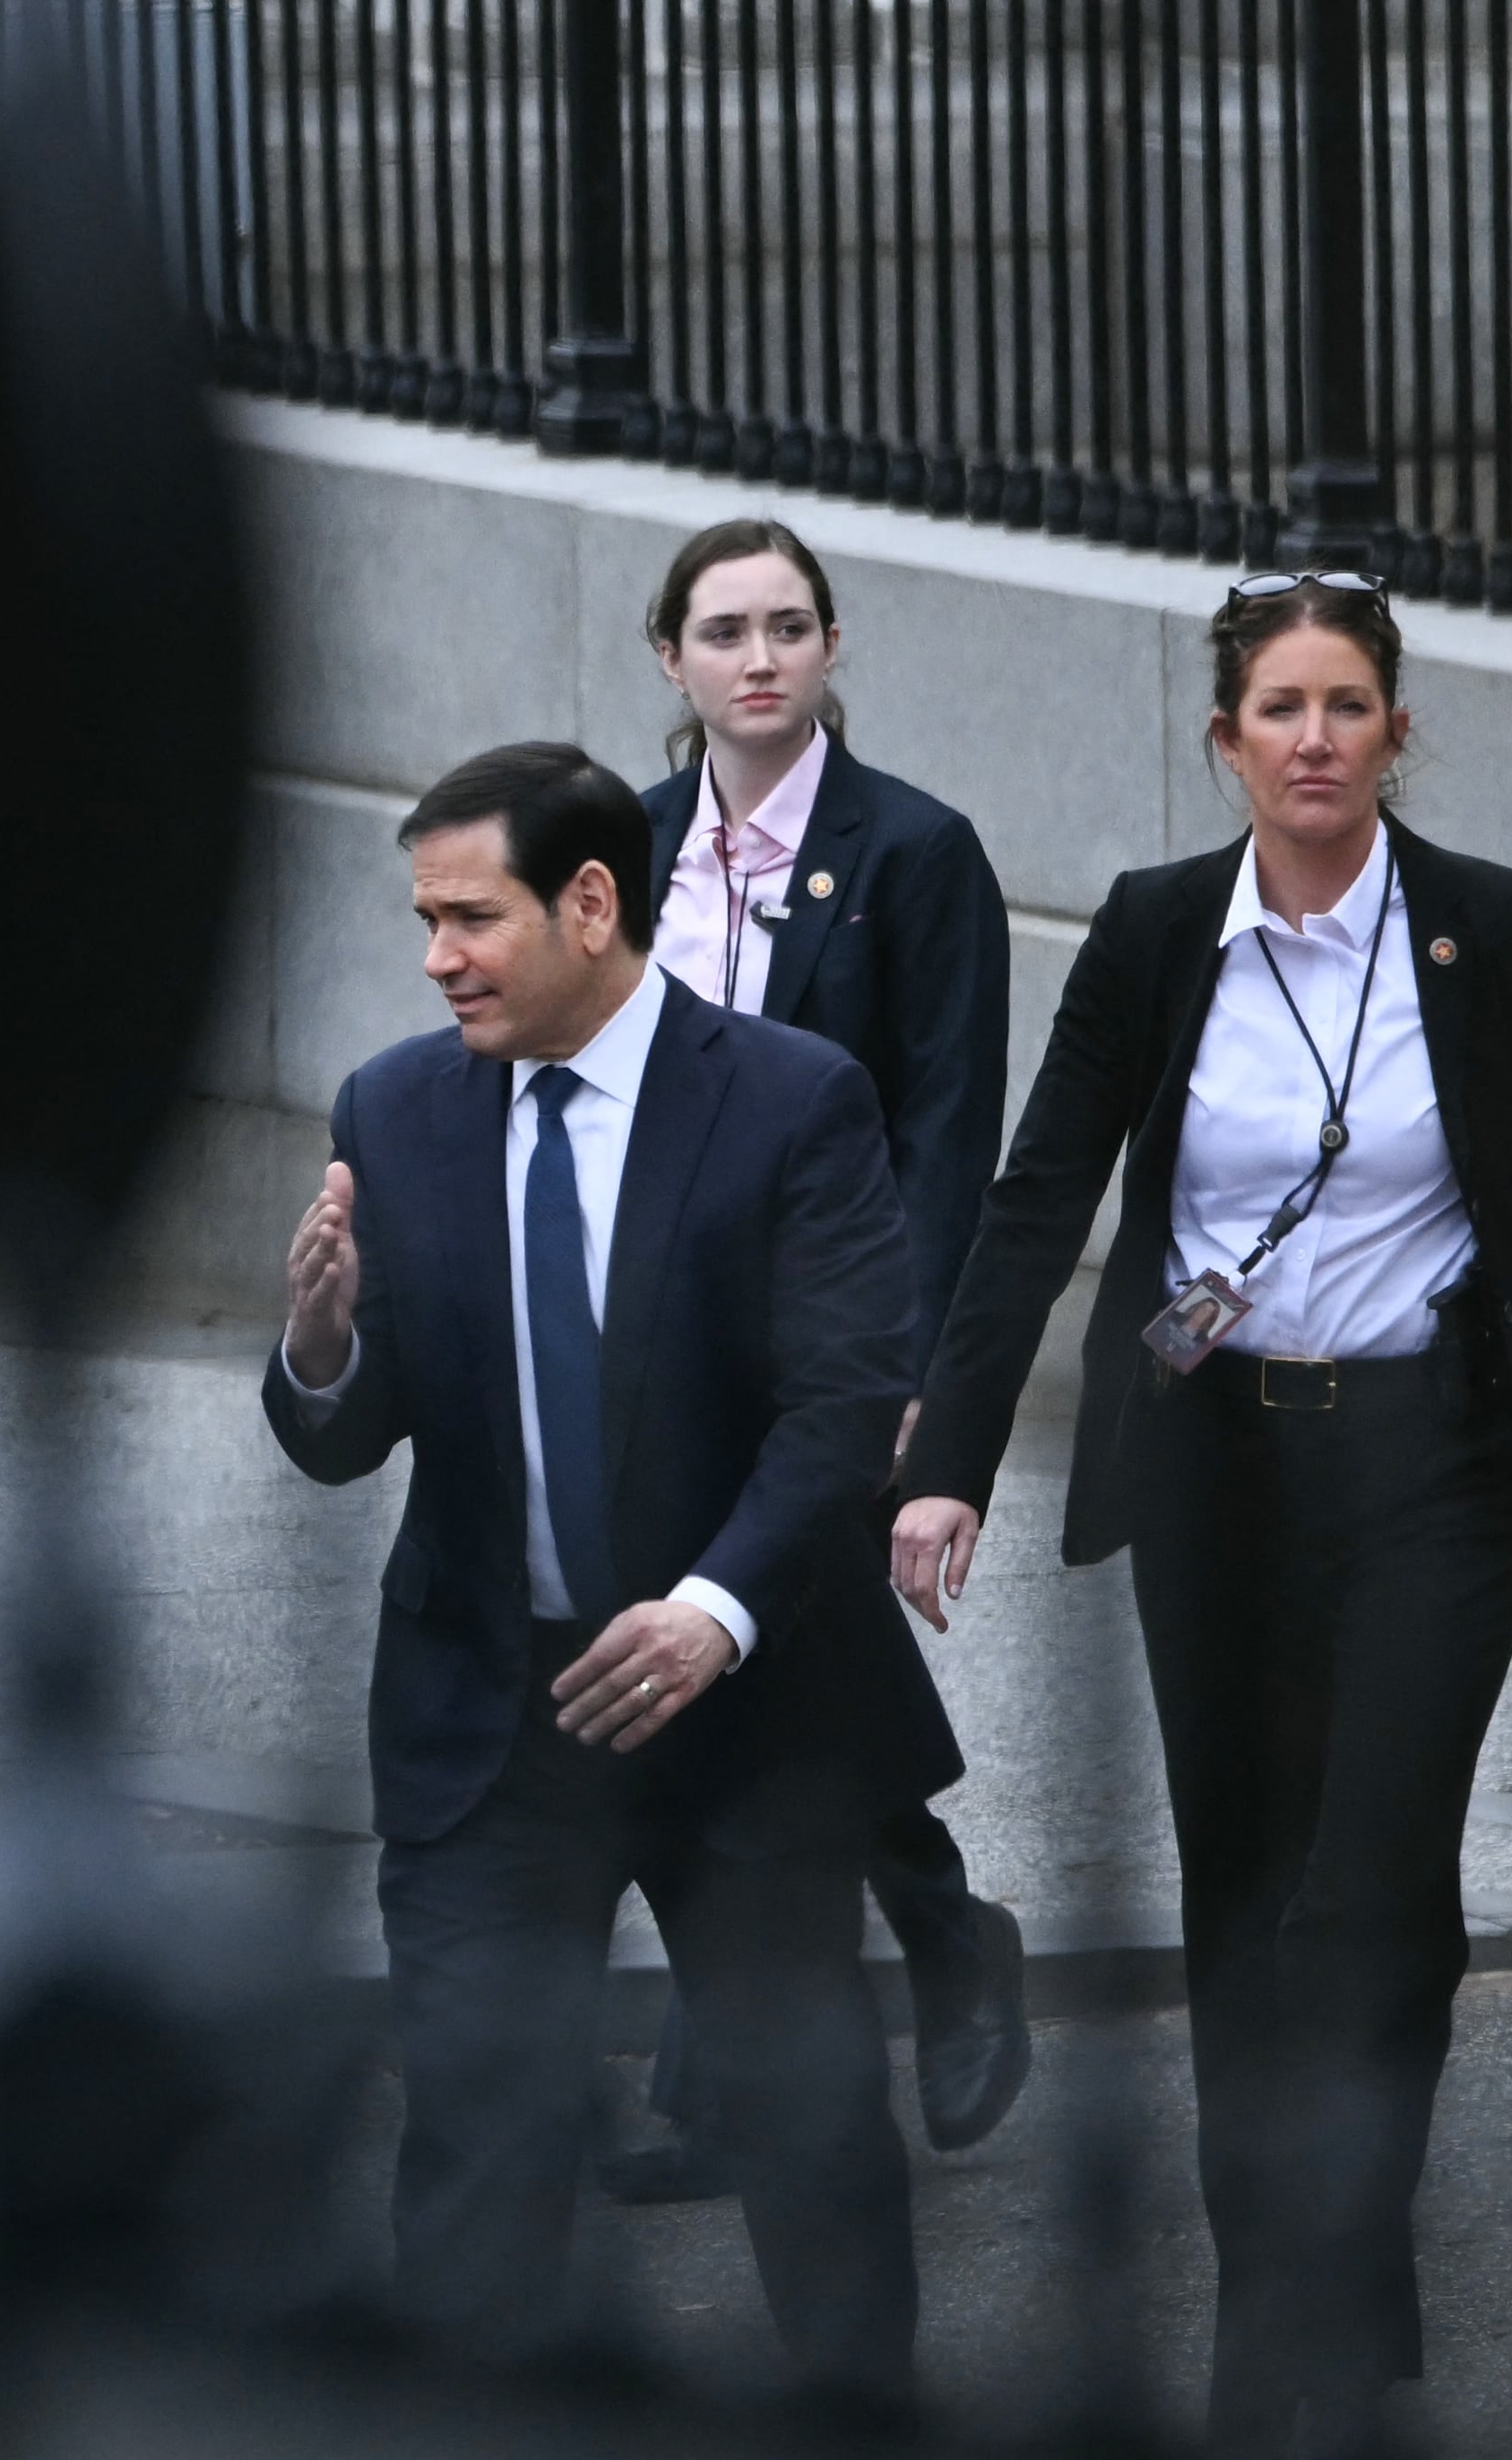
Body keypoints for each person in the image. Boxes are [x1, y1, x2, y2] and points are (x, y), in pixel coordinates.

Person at [889, 574, 1512, 2457]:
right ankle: (1302, 2301)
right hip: (1218, 1467)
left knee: (1365, 1891)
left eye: (1349, 705)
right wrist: (946, 1457)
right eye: (1281, 707)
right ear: (1224, 740)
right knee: (1248, 1896)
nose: (1316, 737)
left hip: (1436, 1466)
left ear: (1399, 731)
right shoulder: (1163, 933)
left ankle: (1315, 2300)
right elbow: (1035, 1201)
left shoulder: (1497, 931)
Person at [263, 742, 957, 2405]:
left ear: (590, 903)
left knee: (812, 2140)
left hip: (745, 1715)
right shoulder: (395, 1106)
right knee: (481, 2148)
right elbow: (348, 1437)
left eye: (468, 917)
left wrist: (714, 1612)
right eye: (422, 918)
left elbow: (844, 1398)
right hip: (489, 1719)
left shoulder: (789, 1097)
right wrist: (320, 1339)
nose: (436, 956)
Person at [609, 517, 1028, 2201]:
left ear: (834, 648)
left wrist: (915, 1371)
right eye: (725, 630)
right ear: (673, 660)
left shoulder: (915, 853)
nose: (759, 657)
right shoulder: (622, 848)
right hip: (651, 1344)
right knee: (706, 1681)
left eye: (790, 625)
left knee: (770, 1660)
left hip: (833, 1348)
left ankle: (860, 1992)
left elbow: (947, 1135)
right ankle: (917, 1942)